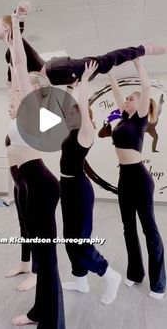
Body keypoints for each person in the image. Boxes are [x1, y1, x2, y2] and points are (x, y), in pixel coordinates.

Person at [2, 3, 65, 328]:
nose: (20, 85)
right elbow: (16, 65)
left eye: (27, 84)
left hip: (40, 184)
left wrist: (18, 22)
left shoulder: (40, 109)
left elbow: (24, 66)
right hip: (29, 182)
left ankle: (48, 317)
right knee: (41, 253)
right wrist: (13, 34)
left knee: (47, 257)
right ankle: (42, 310)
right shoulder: (24, 108)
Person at [59, 62, 121, 304]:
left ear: (86, 117)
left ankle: (108, 274)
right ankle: (81, 281)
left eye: (75, 114)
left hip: (78, 190)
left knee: (80, 241)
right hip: (67, 187)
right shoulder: (72, 131)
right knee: (70, 239)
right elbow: (68, 108)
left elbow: (82, 108)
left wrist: (84, 81)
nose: (70, 115)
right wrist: (70, 88)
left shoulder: (87, 133)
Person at [108, 58, 166, 299]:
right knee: (128, 229)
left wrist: (137, 62)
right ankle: (135, 273)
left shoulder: (141, 116)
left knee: (149, 229)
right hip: (125, 178)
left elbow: (145, 88)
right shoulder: (124, 118)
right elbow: (115, 91)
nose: (127, 100)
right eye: (128, 99)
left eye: (131, 99)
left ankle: (159, 283)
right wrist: (109, 69)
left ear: (140, 104)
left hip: (140, 179)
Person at [0, 7, 167, 86]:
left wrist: (19, 17)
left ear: (7, 27)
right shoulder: (9, 55)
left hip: (59, 69)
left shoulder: (16, 43)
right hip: (60, 78)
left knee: (105, 61)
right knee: (100, 68)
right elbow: (11, 81)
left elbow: (18, 30)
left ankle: (144, 48)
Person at [4, 133, 37, 292]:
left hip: (29, 184)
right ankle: (25, 264)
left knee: (34, 229)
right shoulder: (13, 131)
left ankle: (37, 272)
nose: (9, 108)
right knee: (23, 227)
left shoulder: (28, 131)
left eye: (12, 105)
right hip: (18, 185)